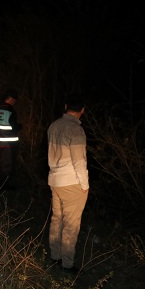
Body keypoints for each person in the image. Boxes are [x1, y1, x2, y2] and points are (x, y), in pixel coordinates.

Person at [47, 94, 89, 273]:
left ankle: (55, 255)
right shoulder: (76, 130)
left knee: (57, 219)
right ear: (82, 110)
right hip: (71, 183)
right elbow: (79, 161)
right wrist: (85, 185)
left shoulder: (54, 125)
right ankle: (67, 264)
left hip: (55, 180)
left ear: (65, 106)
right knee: (71, 224)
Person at [0, 89, 19, 189]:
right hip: (9, 143)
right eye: (15, 100)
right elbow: (13, 127)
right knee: (8, 164)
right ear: (10, 99)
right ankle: (6, 186)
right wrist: (20, 127)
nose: (15, 102)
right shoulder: (11, 111)